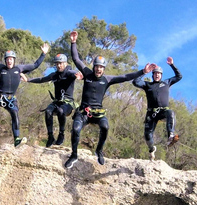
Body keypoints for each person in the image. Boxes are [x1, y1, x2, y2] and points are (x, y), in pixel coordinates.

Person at [65, 30, 156, 168]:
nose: (99, 69)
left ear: (104, 69)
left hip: (98, 112)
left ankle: (99, 150)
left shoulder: (107, 79)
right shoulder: (87, 74)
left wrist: (142, 72)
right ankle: (74, 155)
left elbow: (125, 77)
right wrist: (73, 42)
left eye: (101, 67)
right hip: (83, 111)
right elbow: (76, 59)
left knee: (105, 127)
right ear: (94, 67)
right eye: (97, 67)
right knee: (76, 129)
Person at [21, 53, 82, 147]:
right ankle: (50, 137)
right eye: (57, 63)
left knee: (61, 111)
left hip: (67, 104)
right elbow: (42, 79)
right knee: (48, 111)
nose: (59, 65)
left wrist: (78, 75)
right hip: (57, 102)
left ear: (65, 63)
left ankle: (61, 134)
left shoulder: (69, 73)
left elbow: (74, 73)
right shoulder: (54, 75)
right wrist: (28, 80)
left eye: (61, 63)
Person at [132, 56, 182, 160]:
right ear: (153, 75)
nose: (157, 75)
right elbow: (135, 82)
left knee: (171, 112)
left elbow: (179, 76)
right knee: (147, 135)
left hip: (163, 111)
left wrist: (172, 65)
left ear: (161, 75)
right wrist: (144, 72)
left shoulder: (166, 83)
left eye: (159, 73)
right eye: (155, 73)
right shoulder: (147, 85)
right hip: (151, 114)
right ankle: (151, 149)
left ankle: (171, 135)